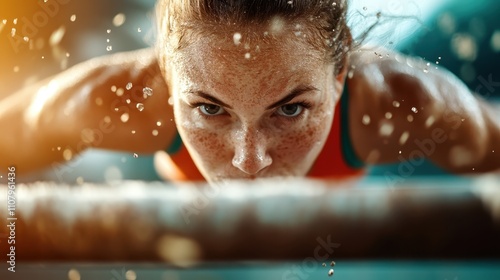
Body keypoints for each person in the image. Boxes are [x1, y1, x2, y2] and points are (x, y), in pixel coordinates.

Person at [0, 0, 498, 183]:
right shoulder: (119, 104)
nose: (249, 160)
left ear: (341, 70)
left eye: (291, 108)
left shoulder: (407, 105)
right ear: (166, 78)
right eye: (209, 108)